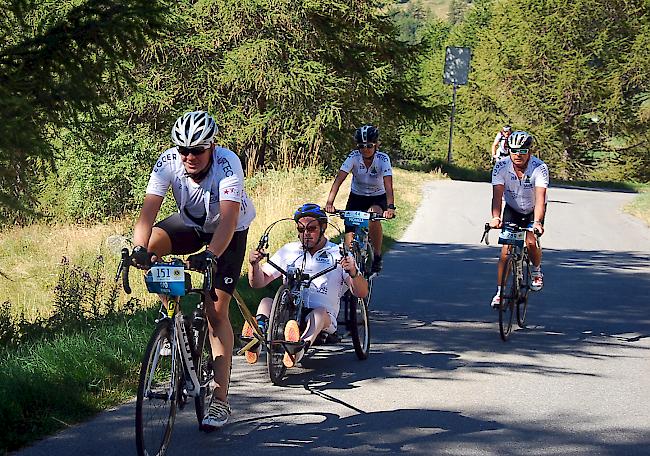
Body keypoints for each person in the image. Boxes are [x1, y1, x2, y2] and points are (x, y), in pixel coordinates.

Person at [129, 110, 256, 430]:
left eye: (197, 149)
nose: (189, 156)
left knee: (216, 312)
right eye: (184, 149)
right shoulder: (168, 162)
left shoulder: (228, 164)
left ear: (212, 146)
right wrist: (139, 250)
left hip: (229, 232)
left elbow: (228, 220)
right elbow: (147, 215)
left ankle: (221, 400)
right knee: (153, 244)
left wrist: (210, 255)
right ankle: (173, 323)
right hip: (191, 224)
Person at [245, 203, 369, 367]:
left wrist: (353, 271)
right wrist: (253, 265)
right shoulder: (289, 250)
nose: (306, 234)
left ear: (323, 227)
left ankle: (297, 349)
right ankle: (257, 335)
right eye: (301, 229)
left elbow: (361, 292)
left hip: (322, 319)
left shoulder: (338, 253)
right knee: (266, 302)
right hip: (288, 312)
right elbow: (258, 283)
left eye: (311, 229)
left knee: (318, 313)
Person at [488, 130, 549, 308]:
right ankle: (500, 293)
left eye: (523, 151)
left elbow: (540, 198)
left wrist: (537, 222)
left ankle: (536, 271)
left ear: (529, 151)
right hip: (513, 209)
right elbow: (497, 196)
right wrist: (495, 217)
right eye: (514, 150)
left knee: (530, 241)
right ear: (508, 150)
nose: (518, 155)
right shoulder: (501, 166)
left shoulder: (539, 168)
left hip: (533, 209)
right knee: (505, 252)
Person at [324, 124, 395, 274]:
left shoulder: (383, 159)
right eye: (361, 146)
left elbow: (388, 185)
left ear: (376, 145)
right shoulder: (353, 157)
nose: (365, 149)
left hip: (377, 197)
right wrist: (330, 202)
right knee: (349, 239)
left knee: (373, 216)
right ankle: (351, 274)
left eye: (369, 145)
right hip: (357, 197)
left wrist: (390, 207)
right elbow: (339, 179)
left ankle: (377, 255)